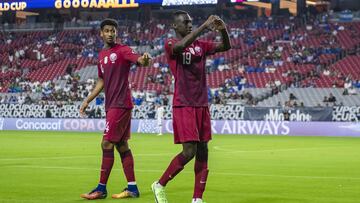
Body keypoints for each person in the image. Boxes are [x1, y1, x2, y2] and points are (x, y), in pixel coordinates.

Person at [151, 11, 231, 203]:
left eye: (190, 22)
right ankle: (159, 185)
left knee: (203, 150)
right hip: (183, 103)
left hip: (201, 103)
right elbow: (180, 46)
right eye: (185, 22)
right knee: (189, 152)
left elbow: (226, 46)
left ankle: (197, 198)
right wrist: (204, 26)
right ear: (174, 26)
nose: (189, 24)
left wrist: (223, 29)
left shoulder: (201, 46)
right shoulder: (170, 44)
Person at [79, 18, 151, 200]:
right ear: (101, 33)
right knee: (121, 145)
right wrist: (88, 100)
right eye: (107, 31)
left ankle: (101, 189)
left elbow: (138, 60)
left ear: (116, 33)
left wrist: (143, 60)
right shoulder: (102, 55)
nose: (111, 33)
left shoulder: (123, 50)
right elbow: (101, 80)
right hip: (112, 105)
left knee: (106, 143)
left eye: (113, 31)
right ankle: (132, 188)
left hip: (120, 104)